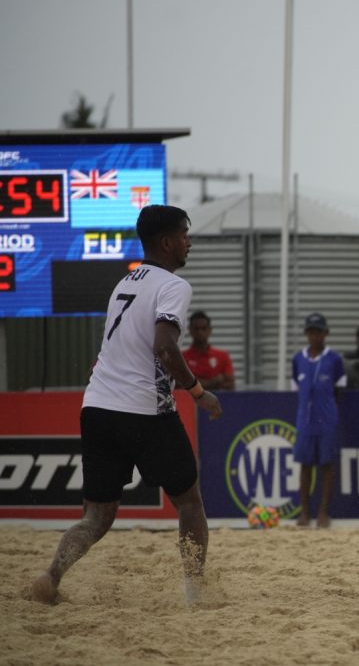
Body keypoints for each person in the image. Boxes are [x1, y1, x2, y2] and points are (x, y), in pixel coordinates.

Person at [29, 205, 223, 605]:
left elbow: (109, 352)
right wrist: (198, 392)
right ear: (167, 242)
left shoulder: (125, 283)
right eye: (185, 235)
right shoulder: (173, 285)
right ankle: (194, 594)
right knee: (189, 501)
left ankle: (50, 577)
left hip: (97, 407)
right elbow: (165, 347)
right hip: (143, 409)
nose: (190, 242)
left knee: (96, 516)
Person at [292, 312, 347, 528]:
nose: (315, 336)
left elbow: (339, 390)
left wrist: (329, 412)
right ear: (307, 333)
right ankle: (305, 513)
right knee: (305, 467)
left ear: (326, 333)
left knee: (327, 466)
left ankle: (323, 512)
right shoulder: (298, 359)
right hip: (305, 421)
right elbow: (296, 388)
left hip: (327, 421)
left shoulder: (335, 359)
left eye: (319, 331)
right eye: (311, 331)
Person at [182, 310, 235, 390]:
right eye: (196, 329)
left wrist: (195, 383)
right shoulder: (182, 358)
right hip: (191, 402)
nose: (200, 332)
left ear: (210, 330)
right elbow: (180, 384)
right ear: (190, 330)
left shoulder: (223, 356)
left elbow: (230, 385)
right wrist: (213, 382)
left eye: (204, 328)